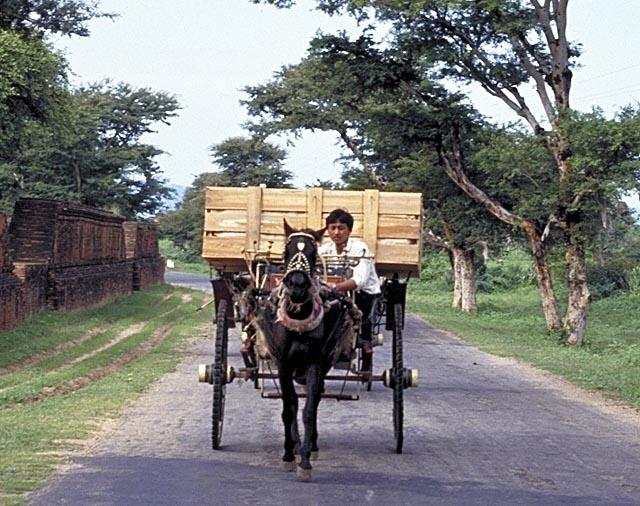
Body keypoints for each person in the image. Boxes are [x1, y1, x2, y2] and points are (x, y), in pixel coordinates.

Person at [318, 209, 381, 370]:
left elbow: (359, 281)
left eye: (341, 228)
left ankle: (361, 340)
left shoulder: (360, 248)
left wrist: (333, 287)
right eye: (332, 228)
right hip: (333, 295)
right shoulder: (323, 250)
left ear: (349, 230)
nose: (337, 232)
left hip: (361, 295)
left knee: (356, 306)